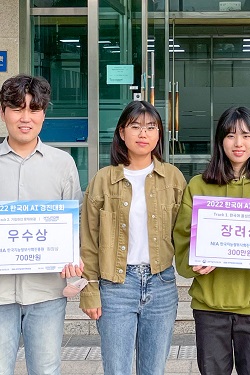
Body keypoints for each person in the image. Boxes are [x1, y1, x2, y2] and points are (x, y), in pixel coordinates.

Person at [0, 74, 83, 375]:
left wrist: (74, 255)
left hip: (47, 291)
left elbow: (75, 220)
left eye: (34, 109)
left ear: (43, 113)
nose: (26, 118)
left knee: (47, 370)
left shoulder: (63, 163)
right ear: (2, 112)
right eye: (17, 109)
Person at [173, 106, 250, 375]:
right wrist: (192, 263)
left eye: (246, 135)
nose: (238, 143)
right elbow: (182, 236)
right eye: (230, 135)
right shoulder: (198, 186)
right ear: (219, 141)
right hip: (210, 305)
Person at [79, 100, 186, 375]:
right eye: (135, 126)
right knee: (117, 369)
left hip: (161, 283)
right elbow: (88, 242)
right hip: (116, 286)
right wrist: (90, 290)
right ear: (122, 133)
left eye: (151, 127)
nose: (143, 133)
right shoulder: (103, 180)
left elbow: (187, 232)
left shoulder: (173, 178)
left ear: (159, 134)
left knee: (154, 370)